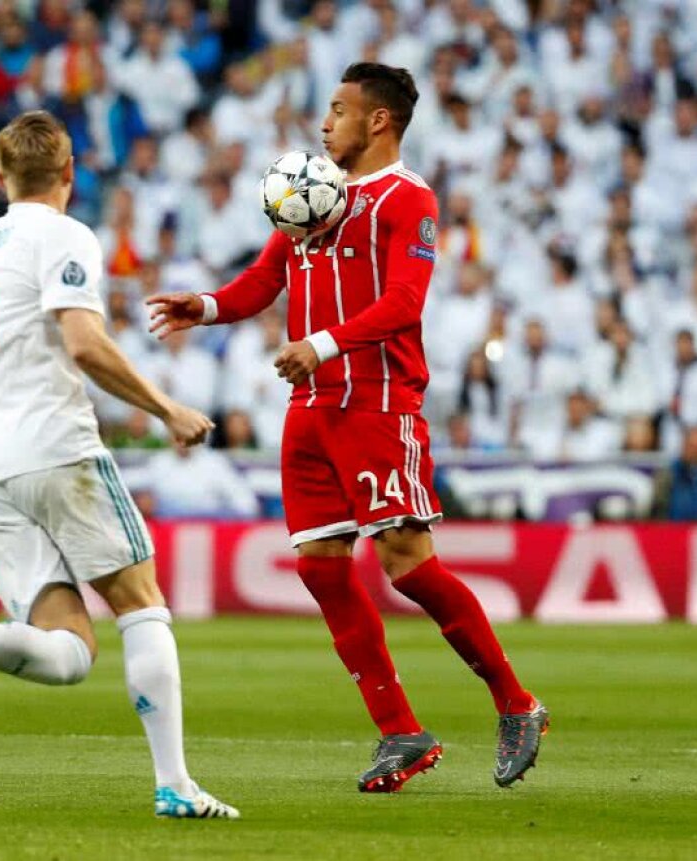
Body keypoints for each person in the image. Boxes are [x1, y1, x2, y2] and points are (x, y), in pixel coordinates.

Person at [147, 63, 546, 792]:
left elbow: (405, 301)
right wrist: (202, 307)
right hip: (310, 411)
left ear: (378, 122)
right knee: (319, 566)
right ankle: (401, 731)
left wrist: (321, 343)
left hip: (376, 401)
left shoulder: (408, 199)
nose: (325, 123)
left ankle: (517, 703)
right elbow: (264, 279)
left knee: (408, 563)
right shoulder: (311, 194)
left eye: (338, 110)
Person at [0, 111, 237, 820]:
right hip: (55, 448)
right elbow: (83, 344)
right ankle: (174, 783)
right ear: (70, 173)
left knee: (71, 650)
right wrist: (166, 408)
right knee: (141, 604)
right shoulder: (65, 234)